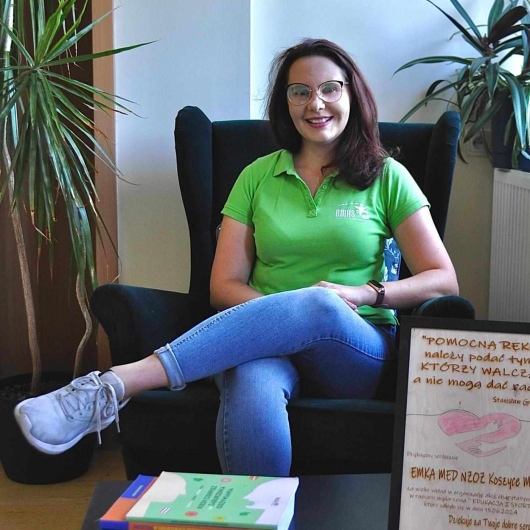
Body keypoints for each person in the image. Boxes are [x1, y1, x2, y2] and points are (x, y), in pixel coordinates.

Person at [14, 38, 458, 477]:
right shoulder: (256, 177)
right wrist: (279, 319)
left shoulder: (387, 176)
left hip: (354, 352)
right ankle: (254, 511)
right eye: (299, 91)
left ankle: (118, 383)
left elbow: (442, 280)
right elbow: (223, 286)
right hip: (263, 346)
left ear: (352, 94)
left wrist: (362, 293)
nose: (315, 103)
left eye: (330, 88)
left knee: (319, 304)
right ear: (285, 102)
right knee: (249, 380)